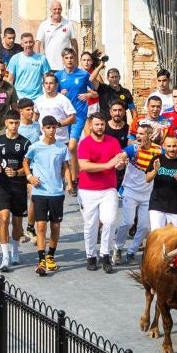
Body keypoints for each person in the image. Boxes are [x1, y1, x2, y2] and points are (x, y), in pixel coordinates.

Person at [75, 111, 126, 273]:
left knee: (110, 221)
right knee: (90, 225)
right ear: (90, 125)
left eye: (102, 124)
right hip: (87, 190)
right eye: (96, 124)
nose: (99, 127)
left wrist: (120, 164)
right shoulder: (85, 144)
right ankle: (91, 256)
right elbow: (84, 166)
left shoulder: (113, 141)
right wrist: (107, 165)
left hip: (109, 189)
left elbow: (119, 162)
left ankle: (105, 254)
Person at [26, 115, 74, 276]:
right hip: (40, 192)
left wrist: (69, 182)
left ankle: (51, 256)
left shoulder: (61, 147)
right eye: (48, 127)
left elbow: (65, 166)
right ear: (43, 129)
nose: (51, 130)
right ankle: (41, 259)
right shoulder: (35, 147)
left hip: (56, 192)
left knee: (55, 225)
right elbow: (25, 161)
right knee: (40, 226)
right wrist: (30, 177)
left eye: (54, 127)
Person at [0, 106, 31, 271]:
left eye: (17, 123)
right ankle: (5, 256)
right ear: (6, 123)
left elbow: (29, 167)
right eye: (11, 123)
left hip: (19, 186)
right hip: (3, 185)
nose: (14, 126)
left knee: (17, 221)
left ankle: (15, 250)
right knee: (4, 218)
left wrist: (18, 171)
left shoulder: (25, 143)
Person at [115, 121, 158, 262]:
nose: (137, 136)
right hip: (130, 191)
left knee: (144, 226)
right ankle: (118, 247)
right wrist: (121, 159)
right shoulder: (133, 148)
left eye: (141, 134)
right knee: (127, 222)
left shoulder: (159, 151)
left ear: (150, 135)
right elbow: (122, 154)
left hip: (148, 194)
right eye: (136, 133)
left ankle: (132, 251)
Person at [146, 132, 177, 233]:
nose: (171, 149)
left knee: (173, 238)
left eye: (174, 146)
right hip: (157, 204)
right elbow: (147, 179)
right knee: (157, 235)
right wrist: (155, 170)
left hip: (176, 205)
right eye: (169, 146)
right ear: (163, 146)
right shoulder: (157, 159)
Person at [57, 47, 92, 143]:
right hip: (64, 115)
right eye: (66, 58)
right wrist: (59, 94)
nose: (69, 60)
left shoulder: (84, 74)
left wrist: (88, 95)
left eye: (71, 57)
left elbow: (96, 92)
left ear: (75, 59)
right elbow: (52, 95)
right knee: (65, 143)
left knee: (73, 143)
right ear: (63, 59)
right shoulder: (58, 75)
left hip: (79, 114)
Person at [34, 71, 76, 147]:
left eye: (51, 83)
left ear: (56, 85)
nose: (48, 86)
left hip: (61, 140)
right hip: (43, 140)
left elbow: (73, 118)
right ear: (43, 85)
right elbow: (35, 116)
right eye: (46, 83)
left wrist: (57, 125)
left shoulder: (63, 99)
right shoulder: (38, 100)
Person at [8, 31, 49, 103]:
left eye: (30, 42)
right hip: (19, 98)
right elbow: (10, 80)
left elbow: (46, 80)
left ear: (33, 43)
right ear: (22, 44)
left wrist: (47, 97)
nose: (28, 44)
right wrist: (11, 98)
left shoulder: (42, 58)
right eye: (26, 42)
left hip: (37, 99)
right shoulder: (15, 58)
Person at [35, 0, 74, 72]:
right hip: (49, 66)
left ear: (61, 9)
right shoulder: (44, 25)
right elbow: (38, 43)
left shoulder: (68, 24)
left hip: (65, 66)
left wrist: (75, 61)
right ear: (50, 10)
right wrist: (38, 61)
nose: (57, 11)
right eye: (55, 9)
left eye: (59, 9)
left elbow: (74, 42)